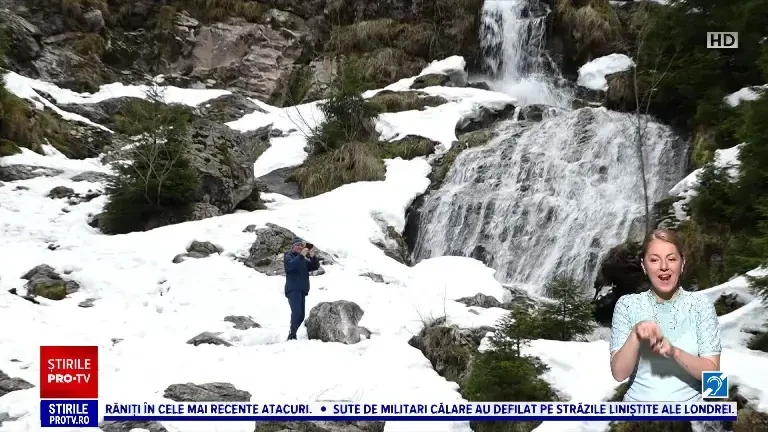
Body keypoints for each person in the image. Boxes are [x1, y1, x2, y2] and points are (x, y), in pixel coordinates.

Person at [609, 228, 722, 402]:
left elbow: (714, 379)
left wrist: (674, 352)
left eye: (671, 259)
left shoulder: (701, 305)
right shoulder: (627, 305)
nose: (664, 267)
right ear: (643, 265)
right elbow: (618, 374)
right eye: (654, 260)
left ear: (682, 264)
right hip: (636, 419)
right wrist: (635, 335)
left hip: (689, 419)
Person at [284, 237, 321, 340]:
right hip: (293, 289)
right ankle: (292, 336)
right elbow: (290, 266)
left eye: (301, 245)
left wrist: (313, 257)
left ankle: (292, 333)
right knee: (296, 313)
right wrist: (301, 255)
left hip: (302, 290)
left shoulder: (303, 259)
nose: (300, 247)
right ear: (293, 247)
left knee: (301, 315)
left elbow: (314, 266)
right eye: (298, 245)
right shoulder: (288, 256)